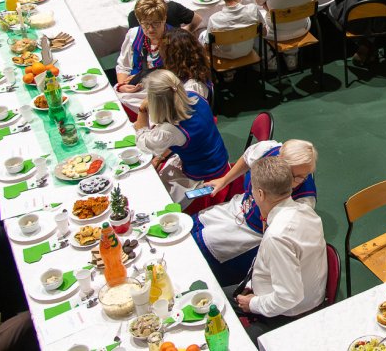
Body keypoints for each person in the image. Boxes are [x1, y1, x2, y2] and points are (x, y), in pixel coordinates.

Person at [194, 139, 318, 285]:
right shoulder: (268, 150)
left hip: (254, 233)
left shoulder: (303, 201)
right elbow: (247, 157)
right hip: (239, 207)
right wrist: (224, 180)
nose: (294, 181)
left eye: (302, 177)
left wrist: (266, 220)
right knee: (192, 225)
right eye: (291, 174)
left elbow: (284, 233)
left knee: (201, 249)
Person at [232, 156, 327, 341]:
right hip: (292, 294)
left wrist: (253, 304)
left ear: (260, 194)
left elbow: (289, 297)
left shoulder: (277, 237)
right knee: (217, 296)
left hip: (287, 314)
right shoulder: (306, 210)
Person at [135, 66, 230, 201]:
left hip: (204, 175)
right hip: (219, 159)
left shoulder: (170, 130)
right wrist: (160, 157)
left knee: (153, 192)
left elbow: (142, 142)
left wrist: (142, 110)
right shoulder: (194, 94)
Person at [197, 0, 261, 61]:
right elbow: (263, 32)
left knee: (200, 32)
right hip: (247, 50)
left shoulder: (214, 19)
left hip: (224, 55)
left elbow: (207, 46)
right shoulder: (253, 9)